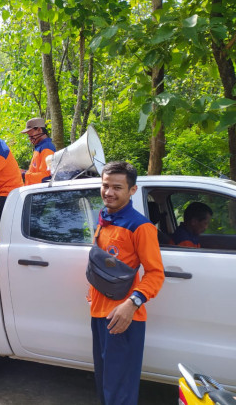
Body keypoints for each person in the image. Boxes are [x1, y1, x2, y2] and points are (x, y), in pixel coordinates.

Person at [89, 161, 165, 405]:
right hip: (99, 312)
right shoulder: (105, 218)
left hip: (124, 317)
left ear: (132, 190)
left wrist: (132, 304)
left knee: (119, 387)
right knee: (104, 382)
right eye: (105, 186)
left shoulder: (140, 227)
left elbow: (155, 273)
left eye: (117, 188)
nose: (109, 192)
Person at [21, 117, 56, 185]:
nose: (30, 138)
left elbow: (46, 176)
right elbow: (35, 171)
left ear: (39, 130)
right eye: (28, 136)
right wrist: (25, 172)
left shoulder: (47, 148)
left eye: (31, 135)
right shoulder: (39, 147)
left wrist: (24, 174)